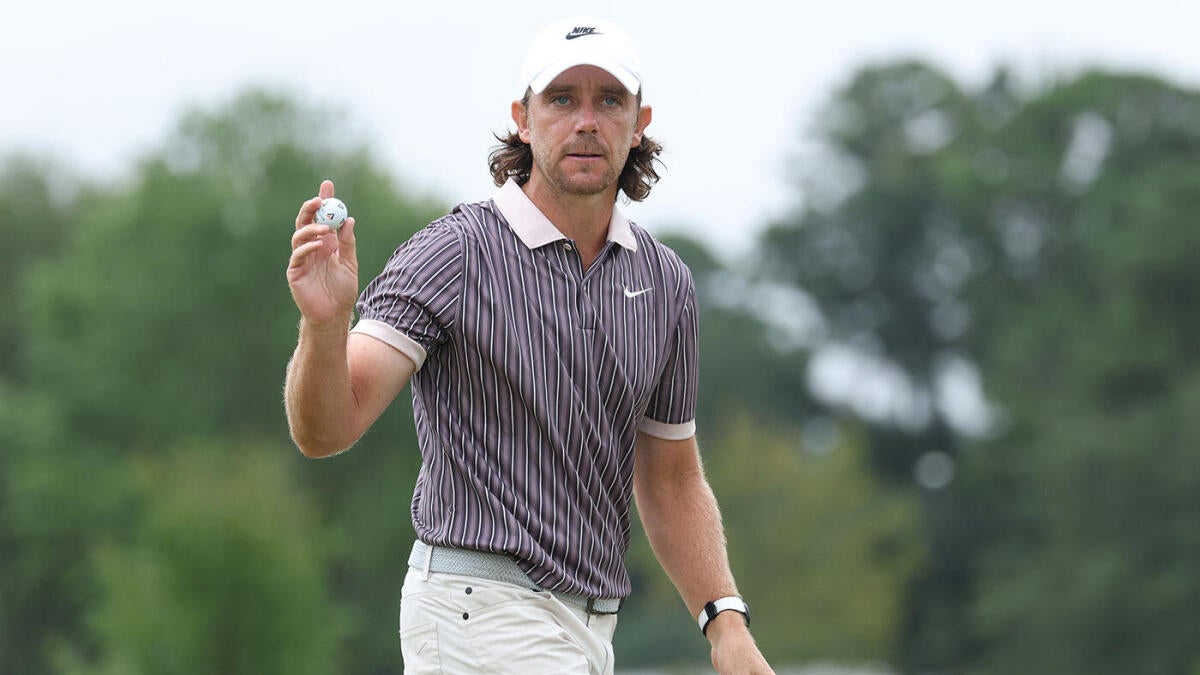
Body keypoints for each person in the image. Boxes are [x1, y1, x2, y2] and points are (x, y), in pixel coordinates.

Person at [285, 16, 774, 675]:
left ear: (639, 123)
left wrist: (726, 623)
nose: (586, 121)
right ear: (522, 118)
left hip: (588, 629)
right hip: (477, 607)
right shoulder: (455, 253)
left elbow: (671, 477)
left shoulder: (665, 283)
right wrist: (324, 327)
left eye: (609, 100)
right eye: (562, 98)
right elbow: (325, 430)